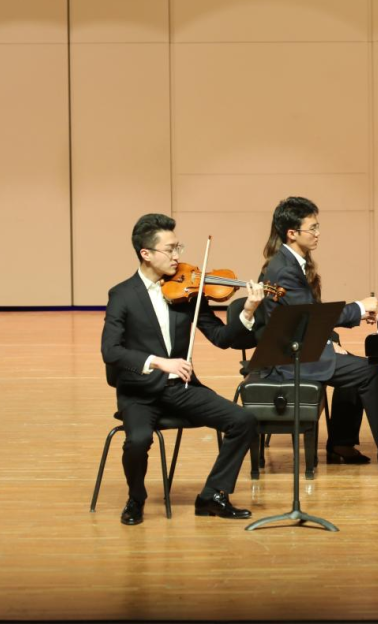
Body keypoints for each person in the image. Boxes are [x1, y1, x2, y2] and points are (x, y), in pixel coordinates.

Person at [101, 213, 263, 526]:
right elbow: (111, 350)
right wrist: (157, 361)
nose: (177, 256)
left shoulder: (185, 293)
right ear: (146, 254)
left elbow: (221, 338)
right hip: (139, 393)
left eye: (179, 248)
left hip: (179, 389)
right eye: (170, 249)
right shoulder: (122, 295)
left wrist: (247, 310)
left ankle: (212, 496)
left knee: (243, 420)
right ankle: (136, 499)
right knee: (137, 440)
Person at [254, 196, 378, 474]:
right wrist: (360, 307)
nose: (318, 233)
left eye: (317, 226)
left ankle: (341, 444)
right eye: (312, 228)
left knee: (354, 364)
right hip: (289, 359)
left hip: (299, 346)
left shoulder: (288, 262)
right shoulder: (285, 270)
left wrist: (328, 340)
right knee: (367, 370)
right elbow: (310, 316)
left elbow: (303, 315)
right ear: (292, 233)